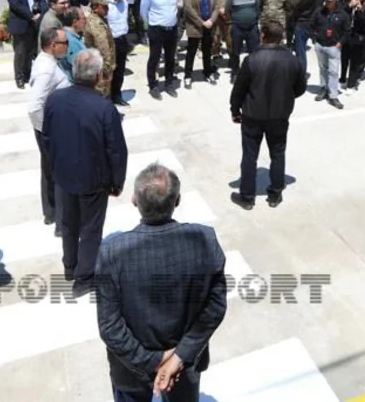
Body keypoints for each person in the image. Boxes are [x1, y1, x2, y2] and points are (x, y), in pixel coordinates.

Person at [96, 163, 228, 401]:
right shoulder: (204, 240)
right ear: (177, 200)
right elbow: (215, 307)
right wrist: (178, 357)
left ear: (134, 200)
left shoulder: (112, 253)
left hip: (132, 369)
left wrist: (153, 361)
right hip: (185, 362)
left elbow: (110, 326)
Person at [44, 49, 128, 296]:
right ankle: (84, 277)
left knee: (68, 223)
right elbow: (116, 150)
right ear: (98, 76)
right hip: (93, 180)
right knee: (91, 228)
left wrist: (55, 166)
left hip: (63, 174)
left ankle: (70, 266)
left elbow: (47, 137)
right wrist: (117, 182)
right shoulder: (104, 108)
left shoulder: (55, 99)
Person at [230, 22, 307, 208]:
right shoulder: (293, 60)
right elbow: (300, 88)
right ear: (281, 37)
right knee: (278, 154)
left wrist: (235, 110)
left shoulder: (251, 59)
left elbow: (239, 89)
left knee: (250, 156)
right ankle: (275, 195)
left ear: (263, 36)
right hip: (280, 116)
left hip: (253, 116)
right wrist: (286, 96)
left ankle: (247, 197)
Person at [27, 27, 71, 228]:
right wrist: (47, 131)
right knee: (60, 173)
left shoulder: (48, 61)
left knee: (49, 170)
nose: (68, 46)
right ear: (53, 45)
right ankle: (62, 222)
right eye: (65, 43)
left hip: (50, 127)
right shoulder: (47, 70)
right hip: (52, 130)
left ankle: (51, 212)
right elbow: (34, 107)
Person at [141, 0, 181, 98]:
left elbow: (178, 6)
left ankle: (169, 84)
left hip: (172, 29)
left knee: (170, 58)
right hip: (156, 29)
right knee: (154, 57)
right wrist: (149, 26)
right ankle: (153, 85)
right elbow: (143, 11)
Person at [6, 0, 44, 88]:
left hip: (34, 25)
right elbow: (15, 5)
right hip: (20, 25)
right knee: (20, 53)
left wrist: (40, 13)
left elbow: (42, 2)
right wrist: (31, 16)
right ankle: (19, 78)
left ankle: (28, 75)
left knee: (30, 52)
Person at [311, 0, 350, 110]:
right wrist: (314, 39)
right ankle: (323, 88)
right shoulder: (319, 11)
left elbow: (347, 31)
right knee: (323, 68)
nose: (327, 2)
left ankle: (333, 96)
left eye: (330, 0)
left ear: (336, 1)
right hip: (320, 45)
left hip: (334, 47)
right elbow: (311, 25)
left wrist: (340, 43)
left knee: (333, 72)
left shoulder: (343, 15)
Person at [182, 0, 219, 87]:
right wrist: (201, 22)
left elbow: (217, 5)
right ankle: (188, 75)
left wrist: (211, 20)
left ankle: (207, 72)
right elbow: (188, 7)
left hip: (209, 24)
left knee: (207, 50)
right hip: (195, 25)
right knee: (191, 51)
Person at [224, 0, 260, 77]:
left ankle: (253, 71)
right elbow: (227, 11)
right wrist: (234, 22)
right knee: (235, 51)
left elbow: (257, 9)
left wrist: (254, 20)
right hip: (237, 27)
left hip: (252, 27)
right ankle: (235, 72)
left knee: (254, 51)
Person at [84, 0, 117, 98]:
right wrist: (107, 69)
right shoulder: (95, 24)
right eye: (104, 6)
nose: (107, 9)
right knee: (101, 95)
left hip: (102, 68)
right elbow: (103, 48)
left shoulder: (100, 19)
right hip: (100, 69)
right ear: (95, 8)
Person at [104, 0, 132, 105]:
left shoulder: (124, 2)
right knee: (109, 71)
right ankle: (107, 97)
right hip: (110, 41)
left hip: (122, 39)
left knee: (120, 70)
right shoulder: (105, 4)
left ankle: (117, 95)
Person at [288, 0, 319, 77]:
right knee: (300, 49)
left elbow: (292, 4)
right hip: (310, 23)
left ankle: (301, 75)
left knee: (300, 51)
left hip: (302, 24)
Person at [342, 0, 365, 92]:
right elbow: (341, 15)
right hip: (346, 37)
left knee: (354, 63)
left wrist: (359, 11)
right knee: (344, 60)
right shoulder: (348, 5)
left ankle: (351, 85)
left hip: (358, 38)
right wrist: (350, 6)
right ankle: (343, 80)